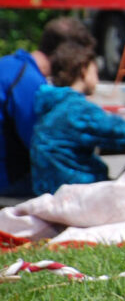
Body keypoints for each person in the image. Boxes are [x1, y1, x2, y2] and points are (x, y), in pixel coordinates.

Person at [29, 42, 125, 195]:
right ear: (84, 70)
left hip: (46, 189)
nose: (97, 80)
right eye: (95, 72)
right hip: (76, 191)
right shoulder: (78, 110)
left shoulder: (49, 102)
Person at [0, 17, 96, 197]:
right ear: (70, 53)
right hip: (9, 181)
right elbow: (42, 143)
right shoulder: (28, 81)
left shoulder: (9, 64)